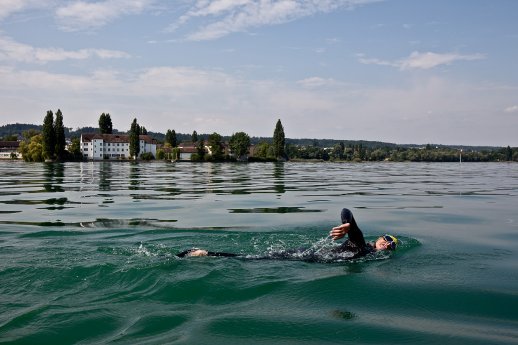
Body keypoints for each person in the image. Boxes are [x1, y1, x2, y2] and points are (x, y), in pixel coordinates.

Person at [177, 208, 398, 261]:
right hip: (310, 256)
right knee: (255, 259)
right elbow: (346, 212)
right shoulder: (363, 247)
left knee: (258, 258)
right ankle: (206, 253)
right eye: (387, 240)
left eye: (392, 245)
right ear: (379, 238)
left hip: (311, 256)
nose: (388, 245)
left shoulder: (369, 253)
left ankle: (206, 253)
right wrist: (348, 226)